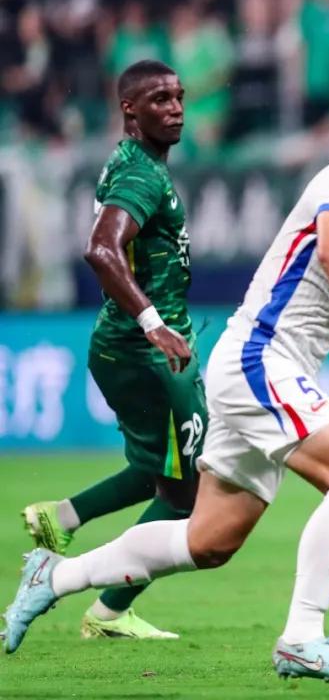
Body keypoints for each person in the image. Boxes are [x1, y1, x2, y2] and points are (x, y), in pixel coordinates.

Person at [4, 69, 329, 688]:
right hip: (261, 357)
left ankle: (53, 576)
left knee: (209, 541)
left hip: (266, 367)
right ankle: (302, 638)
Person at [22, 59, 203, 641]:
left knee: (157, 470)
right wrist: (154, 324)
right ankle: (103, 607)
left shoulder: (135, 161)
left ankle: (61, 518)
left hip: (127, 346)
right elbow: (101, 249)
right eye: (159, 100)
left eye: (179, 97)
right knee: (186, 493)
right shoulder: (141, 175)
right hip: (147, 353)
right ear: (129, 109)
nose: (175, 109)